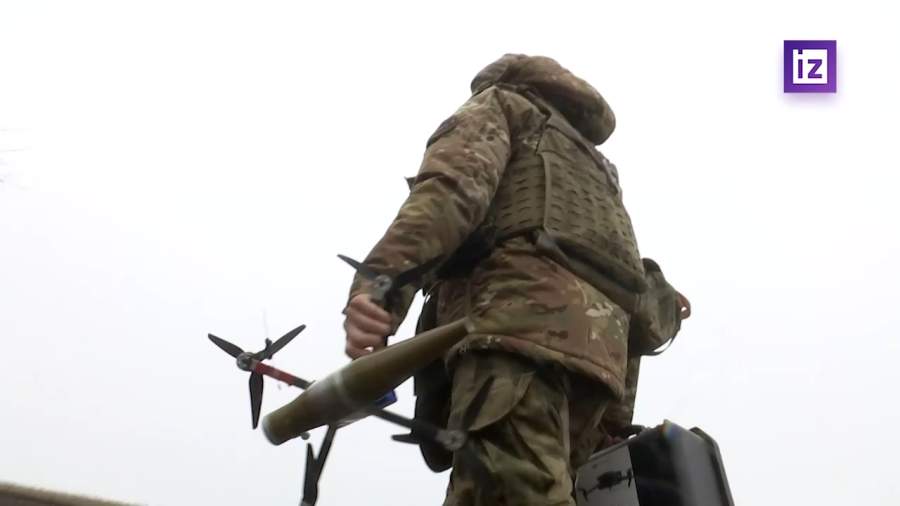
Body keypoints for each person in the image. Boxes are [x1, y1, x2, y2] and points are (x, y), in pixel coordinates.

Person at [342, 53, 690, 506]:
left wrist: (379, 287)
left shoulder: (502, 105)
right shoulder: (597, 171)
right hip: (596, 376)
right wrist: (613, 420)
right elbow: (623, 290)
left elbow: (450, 193)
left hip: (512, 348)